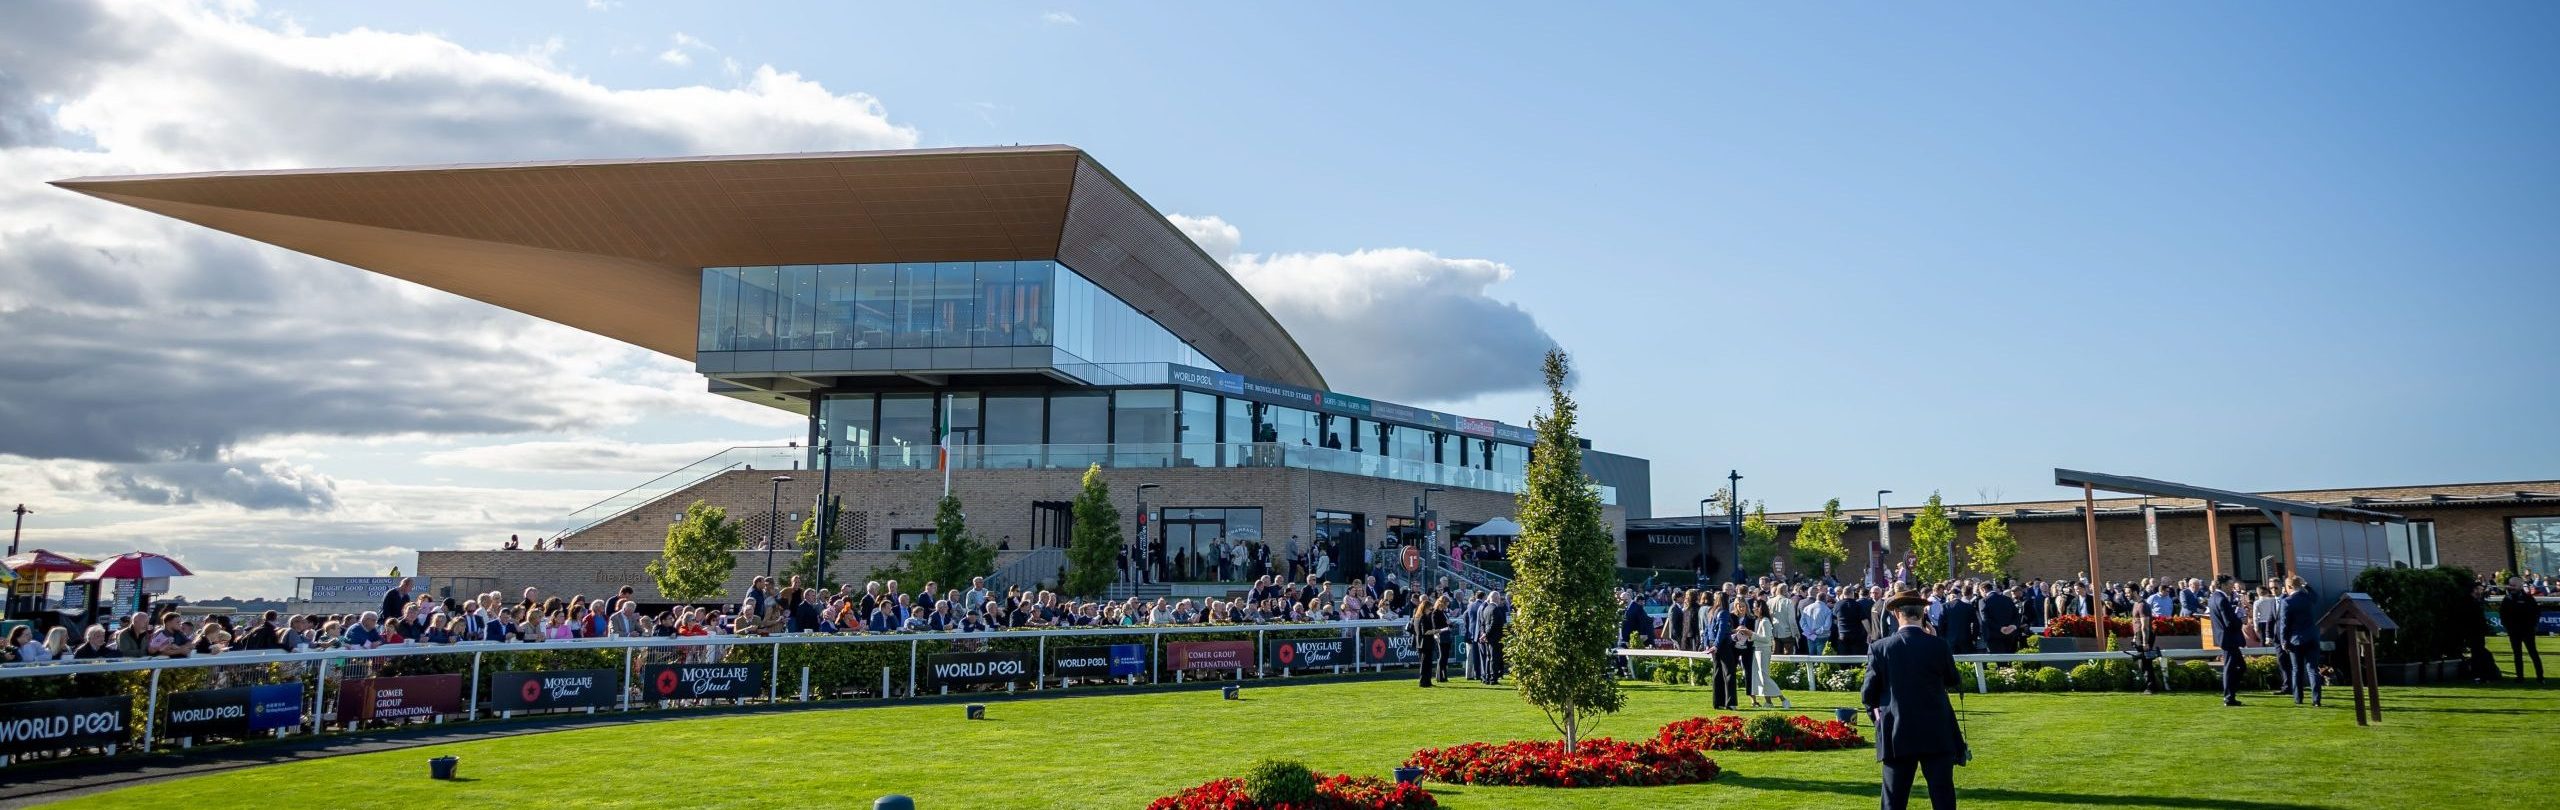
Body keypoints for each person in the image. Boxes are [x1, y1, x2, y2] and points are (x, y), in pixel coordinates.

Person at [1861, 590, 1964, 810]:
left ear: (1897, 613)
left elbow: (1868, 694)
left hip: (1897, 729)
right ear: (1922, 613)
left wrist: (1879, 719)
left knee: (1893, 799)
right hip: (1936, 729)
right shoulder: (1938, 645)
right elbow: (1953, 679)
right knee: (1943, 795)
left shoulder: (1880, 648)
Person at [2278, 575, 2321, 706]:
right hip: (2312, 637)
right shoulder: (2308, 598)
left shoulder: (2287, 601)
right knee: (2313, 670)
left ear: (2289, 587)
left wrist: (2283, 640)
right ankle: (2316, 700)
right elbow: (2315, 596)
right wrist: (2305, 584)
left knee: (2297, 670)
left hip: (2295, 640)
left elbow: (2284, 624)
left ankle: (2298, 698)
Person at [2208, 574, 2247, 705]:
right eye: (2230, 586)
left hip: (2225, 638)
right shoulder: (2222, 599)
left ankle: (2230, 694)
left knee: (2240, 666)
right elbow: (2229, 622)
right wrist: (2240, 620)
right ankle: (2229, 696)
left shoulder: (2214, 598)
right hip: (2229, 638)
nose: (2232, 588)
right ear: (2223, 585)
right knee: (2232, 667)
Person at [2499, 576, 2545, 681]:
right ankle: (2520, 677)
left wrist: (2532, 626)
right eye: (2510, 585)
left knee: (2533, 652)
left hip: (2527, 631)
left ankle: (2540, 676)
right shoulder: (2507, 599)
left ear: (2520, 586)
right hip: (2514, 631)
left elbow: (2536, 613)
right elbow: (2502, 615)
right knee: (2517, 654)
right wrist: (2508, 627)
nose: (2511, 587)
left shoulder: (2528, 599)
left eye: (2513, 585)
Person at [1705, 593, 1743, 711]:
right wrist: (1717, 645)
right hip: (1722, 644)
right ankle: (1730, 702)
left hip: (1713, 643)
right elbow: (1721, 631)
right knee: (1729, 672)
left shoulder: (1712, 611)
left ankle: (1718, 702)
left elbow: (1707, 630)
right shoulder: (1724, 612)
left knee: (1717, 672)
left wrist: (1708, 644)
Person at [1749, 600, 1790, 709]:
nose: (1753, 609)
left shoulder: (1766, 621)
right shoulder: (1758, 620)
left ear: (1760, 608)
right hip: (1757, 650)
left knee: (1764, 676)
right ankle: (1768, 702)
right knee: (1760, 677)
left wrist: (1751, 635)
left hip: (1764, 650)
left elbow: (1766, 639)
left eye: (1755, 607)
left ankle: (1783, 699)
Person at [1414, 593, 1449, 687]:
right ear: (1425, 608)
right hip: (1424, 643)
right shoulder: (1423, 618)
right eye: (1429, 609)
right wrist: (1438, 630)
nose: (1431, 610)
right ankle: (1423, 682)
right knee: (1425, 664)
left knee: (1427, 664)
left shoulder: (1417, 617)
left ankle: (1427, 681)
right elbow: (1425, 631)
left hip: (1421, 642)